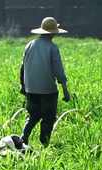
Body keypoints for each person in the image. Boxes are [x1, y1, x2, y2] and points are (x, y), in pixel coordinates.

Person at [20, 17, 71, 147]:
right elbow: (58, 70)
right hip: (48, 90)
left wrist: (23, 86)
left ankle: (24, 137)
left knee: (33, 115)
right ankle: (45, 143)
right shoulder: (52, 48)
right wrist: (65, 90)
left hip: (31, 89)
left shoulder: (29, 45)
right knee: (48, 118)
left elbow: (23, 67)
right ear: (53, 33)